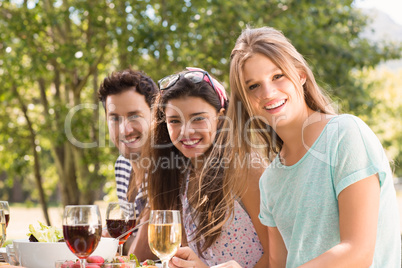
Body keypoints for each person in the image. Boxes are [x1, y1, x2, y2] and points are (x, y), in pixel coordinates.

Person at [217, 26, 400, 267]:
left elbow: (357, 253)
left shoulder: (345, 135)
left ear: (301, 75)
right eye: (253, 86)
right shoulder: (270, 179)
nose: (268, 92)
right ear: (246, 102)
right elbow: (279, 264)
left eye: (277, 76)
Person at [132, 67, 269, 267]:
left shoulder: (245, 168)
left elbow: (278, 256)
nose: (186, 131)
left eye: (198, 118)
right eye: (175, 121)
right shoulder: (182, 177)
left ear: (220, 118)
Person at [98, 68, 158, 260]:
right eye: (114, 118)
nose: (125, 129)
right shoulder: (123, 165)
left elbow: (147, 250)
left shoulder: (169, 166)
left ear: (156, 115)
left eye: (134, 116)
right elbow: (130, 241)